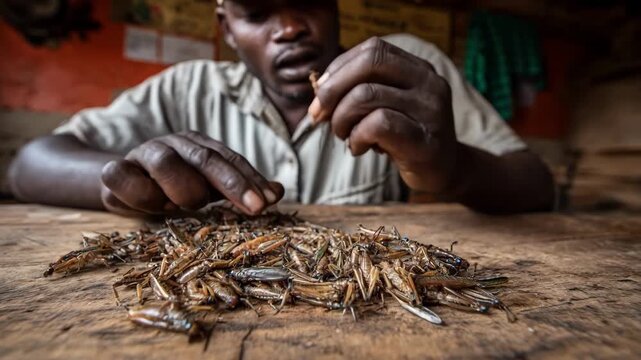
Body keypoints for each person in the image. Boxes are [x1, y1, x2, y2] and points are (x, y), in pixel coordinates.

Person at [8, 0, 555, 216]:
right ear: (226, 29)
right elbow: (30, 164)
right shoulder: (185, 88)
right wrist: (121, 182)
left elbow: (537, 182)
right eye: (259, 9)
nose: (290, 27)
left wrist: (456, 168)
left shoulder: (408, 71)